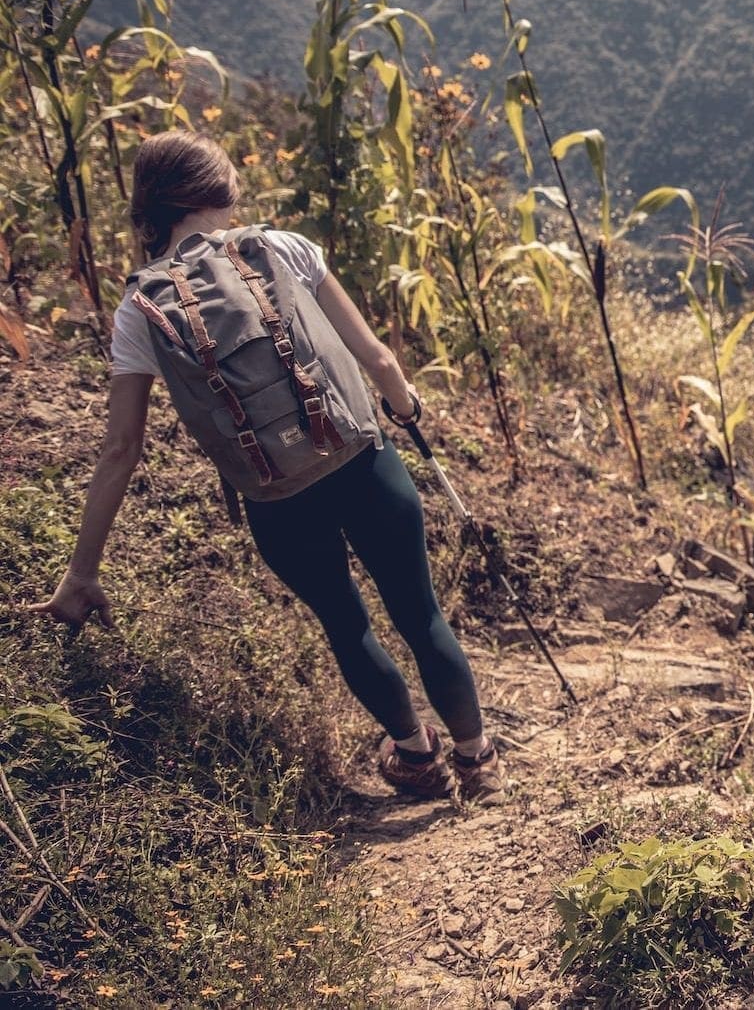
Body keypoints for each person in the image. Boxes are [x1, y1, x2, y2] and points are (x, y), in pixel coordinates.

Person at [29, 130, 503, 804]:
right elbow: (378, 361)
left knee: (347, 624)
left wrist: (81, 570)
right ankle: (477, 760)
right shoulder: (279, 247)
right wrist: (406, 407)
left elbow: (120, 450)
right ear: (211, 189)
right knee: (419, 612)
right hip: (362, 460)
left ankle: (415, 756)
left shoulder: (138, 309)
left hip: (276, 496)